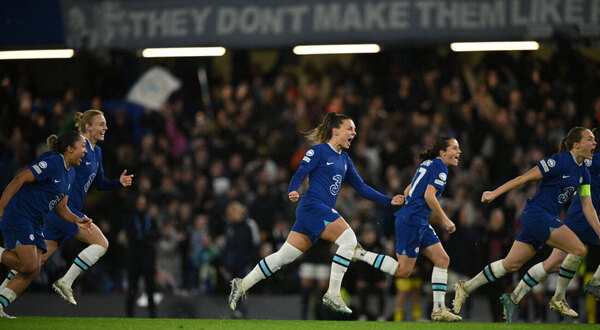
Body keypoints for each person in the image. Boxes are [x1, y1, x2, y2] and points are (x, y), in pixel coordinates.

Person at [227, 112, 404, 314]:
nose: (354, 133)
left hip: (316, 213)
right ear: (335, 131)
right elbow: (300, 173)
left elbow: (361, 188)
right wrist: (292, 189)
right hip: (312, 207)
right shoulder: (318, 151)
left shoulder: (345, 159)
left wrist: (389, 200)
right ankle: (333, 293)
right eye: (350, 128)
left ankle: (242, 285)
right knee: (348, 240)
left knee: (283, 257)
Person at [452, 127, 600, 321]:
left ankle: (466, 287)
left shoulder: (584, 173)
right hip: (537, 215)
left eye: (595, 140)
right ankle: (559, 297)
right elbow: (524, 178)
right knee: (578, 249)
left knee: (509, 265)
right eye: (590, 139)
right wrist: (494, 193)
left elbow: (588, 207)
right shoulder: (557, 162)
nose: (594, 143)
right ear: (577, 144)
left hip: (543, 219)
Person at [0, 110, 134, 305]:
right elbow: (57, 163)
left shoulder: (96, 152)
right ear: (88, 127)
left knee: (33, 263)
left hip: (65, 212)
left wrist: (118, 183)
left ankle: (1, 298)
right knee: (101, 243)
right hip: (63, 210)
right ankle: (66, 281)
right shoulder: (77, 147)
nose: (106, 127)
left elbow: (98, 183)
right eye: (101, 124)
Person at [353, 136, 463, 322]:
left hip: (417, 219)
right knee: (404, 272)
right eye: (454, 148)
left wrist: (410, 200)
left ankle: (438, 309)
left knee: (442, 259)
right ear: (443, 152)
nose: (458, 152)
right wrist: (446, 220)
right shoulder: (441, 167)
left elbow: (407, 191)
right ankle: (360, 253)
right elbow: (429, 195)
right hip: (412, 221)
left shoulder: (428, 163)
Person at [500, 127, 600, 323]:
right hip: (584, 216)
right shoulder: (594, 159)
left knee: (552, 264)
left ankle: (514, 297)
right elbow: (575, 164)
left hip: (583, 215)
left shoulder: (591, 158)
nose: (593, 143)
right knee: (553, 263)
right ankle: (592, 284)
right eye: (590, 140)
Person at [0, 131, 92, 318]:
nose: (85, 151)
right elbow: (20, 179)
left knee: (33, 268)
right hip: (20, 214)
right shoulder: (53, 162)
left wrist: (76, 220)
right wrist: (1, 207)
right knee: (28, 265)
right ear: (69, 148)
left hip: (34, 220)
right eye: (82, 146)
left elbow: (61, 208)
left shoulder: (70, 173)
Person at [125, 193, 159, 318]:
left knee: (150, 290)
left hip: (148, 260)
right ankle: (129, 317)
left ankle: (153, 317)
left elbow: (156, 235)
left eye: (143, 204)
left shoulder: (151, 219)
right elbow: (132, 236)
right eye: (139, 203)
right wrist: (146, 238)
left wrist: (142, 238)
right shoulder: (130, 219)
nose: (141, 206)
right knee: (132, 290)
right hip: (134, 259)